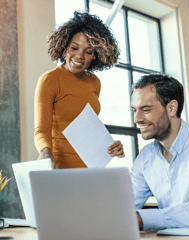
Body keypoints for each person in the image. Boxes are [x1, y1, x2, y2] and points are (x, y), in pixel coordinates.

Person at [130, 74, 189, 230]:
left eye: (145, 109)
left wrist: (140, 219)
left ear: (171, 108)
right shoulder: (146, 157)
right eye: (134, 110)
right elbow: (124, 205)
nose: (137, 119)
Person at [34, 11, 124, 169]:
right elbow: (41, 130)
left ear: (95, 56)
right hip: (58, 166)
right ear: (64, 47)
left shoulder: (94, 82)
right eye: (74, 48)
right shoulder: (49, 80)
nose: (79, 56)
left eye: (88, 52)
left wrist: (111, 147)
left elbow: (89, 128)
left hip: (91, 168)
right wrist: (46, 152)